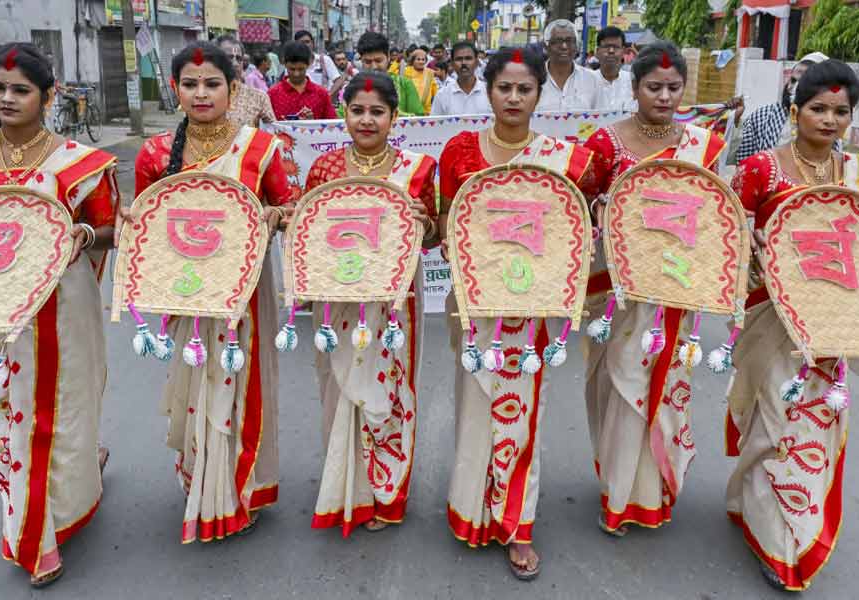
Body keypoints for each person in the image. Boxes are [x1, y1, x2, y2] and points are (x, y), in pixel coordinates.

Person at [439, 47, 598, 582]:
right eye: (504, 88)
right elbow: (446, 224)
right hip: (475, 303)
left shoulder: (567, 159)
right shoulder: (459, 151)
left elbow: (580, 220)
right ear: (488, 91)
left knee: (524, 412)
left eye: (524, 89)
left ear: (539, 94)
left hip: (533, 309)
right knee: (475, 405)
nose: (513, 98)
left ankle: (516, 522)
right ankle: (471, 508)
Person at [0, 43, 117, 587]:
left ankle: (54, 516)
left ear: (48, 97)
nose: (6, 98)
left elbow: (111, 229)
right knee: (10, 416)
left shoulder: (78, 161)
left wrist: (82, 234)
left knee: (62, 412)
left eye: (20, 90)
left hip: (62, 306)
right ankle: (33, 528)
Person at [132, 41, 292, 545]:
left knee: (242, 384)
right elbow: (144, 224)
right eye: (190, 84)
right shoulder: (156, 153)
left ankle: (239, 486)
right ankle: (200, 477)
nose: (201, 93)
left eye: (212, 83)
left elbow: (289, 206)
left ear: (233, 88)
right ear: (176, 89)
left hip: (246, 291)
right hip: (189, 293)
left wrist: (274, 215)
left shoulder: (261, 149)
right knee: (198, 381)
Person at [582, 42, 726, 537]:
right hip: (618, 292)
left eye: (673, 87)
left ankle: (654, 489)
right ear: (634, 87)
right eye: (653, 86)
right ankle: (618, 494)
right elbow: (579, 208)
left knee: (666, 392)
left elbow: (714, 212)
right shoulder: (605, 144)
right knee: (620, 387)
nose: (664, 96)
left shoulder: (703, 146)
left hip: (676, 289)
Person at [727, 59, 859, 592]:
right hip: (769, 311)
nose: (829, 120)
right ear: (795, 110)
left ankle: (786, 534)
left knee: (815, 423)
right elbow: (728, 228)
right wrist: (752, 245)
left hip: (831, 321)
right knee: (775, 418)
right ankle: (767, 526)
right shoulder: (762, 168)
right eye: (819, 109)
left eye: (841, 112)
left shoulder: (853, 174)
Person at [303, 72, 438, 536]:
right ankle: (346, 486)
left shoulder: (417, 169)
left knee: (393, 388)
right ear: (344, 113)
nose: (366, 120)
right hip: (338, 298)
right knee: (337, 387)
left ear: (394, 117)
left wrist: (426, 220)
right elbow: (308, 233)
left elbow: (434, 236)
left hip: (395, 300)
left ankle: (386, 492)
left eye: (377, 111)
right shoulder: (323, 170)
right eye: (357, 110)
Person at [735, 52, 829, 163]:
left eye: (804, 83)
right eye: (793, 81)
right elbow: (739, 159)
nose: (794, 87)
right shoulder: (763, 116)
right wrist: (736, 119)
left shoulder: (827, 126)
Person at [354, 32, 425, 117]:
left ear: (388, 57)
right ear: (361, 61)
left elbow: (418, 120)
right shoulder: (354, 87)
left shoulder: (405, 84)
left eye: (378, 61)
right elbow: (342, 121)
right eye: (368, 62)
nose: (374, 67)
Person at [537, 19, 598, 111]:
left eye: (570, 41)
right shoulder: (534, 78)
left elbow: (600, 118)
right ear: (546, 46)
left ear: (577, 46)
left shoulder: (592, 79)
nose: (564, 46)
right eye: (557, 41)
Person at [268, 41, 337, 120]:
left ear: (308, 65)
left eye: (301, 69)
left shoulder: (321, 94)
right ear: (285, 64)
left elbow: (331, 125)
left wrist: (312, 122)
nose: (296, 74)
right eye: (292, 69)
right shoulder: (273, 94)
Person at [216, 35, 275, 125]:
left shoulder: (259, 97)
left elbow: (274, 131)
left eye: (239, 59)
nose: (235, 63)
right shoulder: (203, 97)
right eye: (228, 58)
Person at [431, 41, 490, 116]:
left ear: (476, 62)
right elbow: (435, 125)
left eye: (468, 58)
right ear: (452, 64)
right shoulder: (442, 95)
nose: (463, 63)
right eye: (459, 59)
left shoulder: (490, 92)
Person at [594, 26, 635, 111]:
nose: (611, 51)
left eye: (616, 47)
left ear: (623, 51)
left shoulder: (633, 81)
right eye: (606, 46)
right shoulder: (587, 81)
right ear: (597, 51)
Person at [295, 29, 344, 98]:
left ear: (312, 43)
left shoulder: (324, 60)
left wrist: (327, 96)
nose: (305, 45)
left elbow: (338, 81)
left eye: (307, 42)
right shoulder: (293, 64)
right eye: (301, 42)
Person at [405, 48, 438, 115]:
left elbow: (436, 93)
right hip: (410, 113)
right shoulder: (406, 72)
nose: (421, 62)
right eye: (418, 59)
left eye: (423, 59)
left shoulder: (429, 73)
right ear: (413, 61)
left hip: (426, 112)